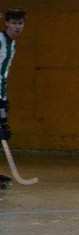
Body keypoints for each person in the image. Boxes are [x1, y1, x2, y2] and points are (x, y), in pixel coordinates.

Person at [0, 8, 25, 190]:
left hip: (0, 93)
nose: (18, 27)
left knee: (2, 132)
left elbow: (3, 74)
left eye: (21, 23)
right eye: (14, 23)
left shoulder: (12, 44)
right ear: (6, 23)